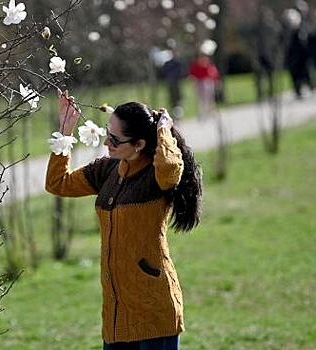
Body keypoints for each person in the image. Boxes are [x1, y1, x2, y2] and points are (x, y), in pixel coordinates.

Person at [45, 92, 203, 350]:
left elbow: (170, 170)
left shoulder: (156, 174)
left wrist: (164, 130)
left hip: (154, 311)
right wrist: (64, 131)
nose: (107, 141)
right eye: (108, 132)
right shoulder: (107, 169)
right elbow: (57, 183)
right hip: (116, 315)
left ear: (139, 144)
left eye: (116, 139)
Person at [189, 53, 219, 121]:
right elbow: (192, 75)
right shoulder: (196, 65)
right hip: (200, 84)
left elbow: (213, 73)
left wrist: (215, 80)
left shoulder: (209, 64)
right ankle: (202, 114)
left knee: (210, 99)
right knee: (201, 100)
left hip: (208, 83)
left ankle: (211, 112)